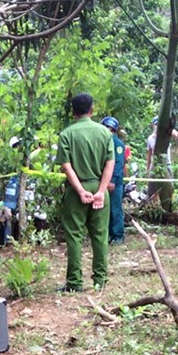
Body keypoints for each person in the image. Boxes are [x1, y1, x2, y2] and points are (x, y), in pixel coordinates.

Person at [56, 93, 114, 292]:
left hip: (76, 190)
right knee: (100, 235)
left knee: (74, 236)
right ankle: (100, 281)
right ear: (92, 109)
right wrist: (100, 191)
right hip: (99, 188)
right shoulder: (105, 133)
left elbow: (66, 166)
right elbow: (110, 163)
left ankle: (74, 283)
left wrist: (80, 191)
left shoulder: (66, 134)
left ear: (73, 112)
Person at [101, 117, 125, 245]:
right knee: (106, 209)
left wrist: (113, 181)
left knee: (115, 209)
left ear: (114, 130)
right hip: (103, 181)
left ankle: (118, 235)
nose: (106, 130)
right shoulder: (102, 143)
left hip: (115, 182)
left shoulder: (118, 144)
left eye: (109, 128)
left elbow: (118, 164)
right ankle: (109, 234)